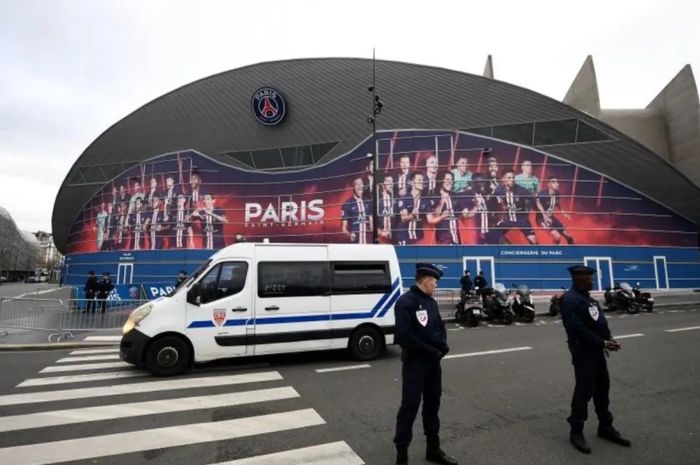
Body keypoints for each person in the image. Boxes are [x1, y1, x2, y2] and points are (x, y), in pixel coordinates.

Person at [560, 265, 631, 454]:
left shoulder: (588, 299)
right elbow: (577, 329)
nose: (592, 281)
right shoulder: (569, 300)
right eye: (588, 278)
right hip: (583, 353)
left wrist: (609, 339)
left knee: (602, 388)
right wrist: (603, 343)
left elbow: (599, 321)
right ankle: (576, 431)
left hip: (598, 351)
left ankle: (605, 427)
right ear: (578, 279)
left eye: (592, 278)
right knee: (584, 391)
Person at [393, 263, 457, 465]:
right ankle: (401, 455)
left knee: (432, 406)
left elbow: (438, 326)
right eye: (435, 283)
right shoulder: (406, 302)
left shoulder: (430, 302)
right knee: (409, 408)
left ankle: (433, 449)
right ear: (427, 281)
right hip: (415, 364)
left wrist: (443, 346)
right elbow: (405, 336)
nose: (436, 286)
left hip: (432, 365)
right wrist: (431, 350)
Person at [494, 171, 538, 244]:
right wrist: (499, 218)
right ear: (503, 179)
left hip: (521, 219)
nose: (512, 179)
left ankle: (539, 253)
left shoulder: (522, 191)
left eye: (513, 177)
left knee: (533, 240)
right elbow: (496, 204)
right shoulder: (499, 190)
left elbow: (535, 201)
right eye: (509, 178)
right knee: (493, 237)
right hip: (507, 219)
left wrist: (542, 214)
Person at [427, 172, 467, 245]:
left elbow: (464, 214)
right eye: (447, 180)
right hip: (443, 238)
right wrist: (442, 201)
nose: (450, 182)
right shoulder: (434, 195)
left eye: (451, 180)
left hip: (457, 237)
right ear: (441, 181)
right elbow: (434, 217)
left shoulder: (454, 195)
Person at [536, 176, 574, 244]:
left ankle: (573, 251)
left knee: (568, 236)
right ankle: (553, 251)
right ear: (549, 185)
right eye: (553, 182)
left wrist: (563, 212)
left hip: (551, 217)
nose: (557, 184)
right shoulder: (543, 194)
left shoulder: (557, 194)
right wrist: (544, 215)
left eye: (557, 182)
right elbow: (537, 202)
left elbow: (557, 203)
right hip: (541, 219)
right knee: (557, 236)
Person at [395, 173, 430, 246]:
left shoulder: (425, 200)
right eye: (419, 180)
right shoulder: (404, 199)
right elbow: (404, 218)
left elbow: (430, 219)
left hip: (419, 237)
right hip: (404, 236)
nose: (422, 182)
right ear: (412, 183)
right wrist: (412, 215)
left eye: (422, 180)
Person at [341, 178, 373, 244]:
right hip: (355, 244)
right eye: (357, 184)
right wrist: (349, 235)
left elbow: (371, 224)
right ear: (353, 187)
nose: (360, 186)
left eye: (361, 184)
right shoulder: (347, 204)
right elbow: (344, 229)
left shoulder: (368, 202)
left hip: (369, 243)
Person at [379, 173, 395, 240]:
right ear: (383, 184)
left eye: (392, 181)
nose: (391, 184)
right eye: (388, 182)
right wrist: (379, 232)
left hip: (393, 236)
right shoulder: (378, 199)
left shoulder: (393, 197)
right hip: (381, 237)